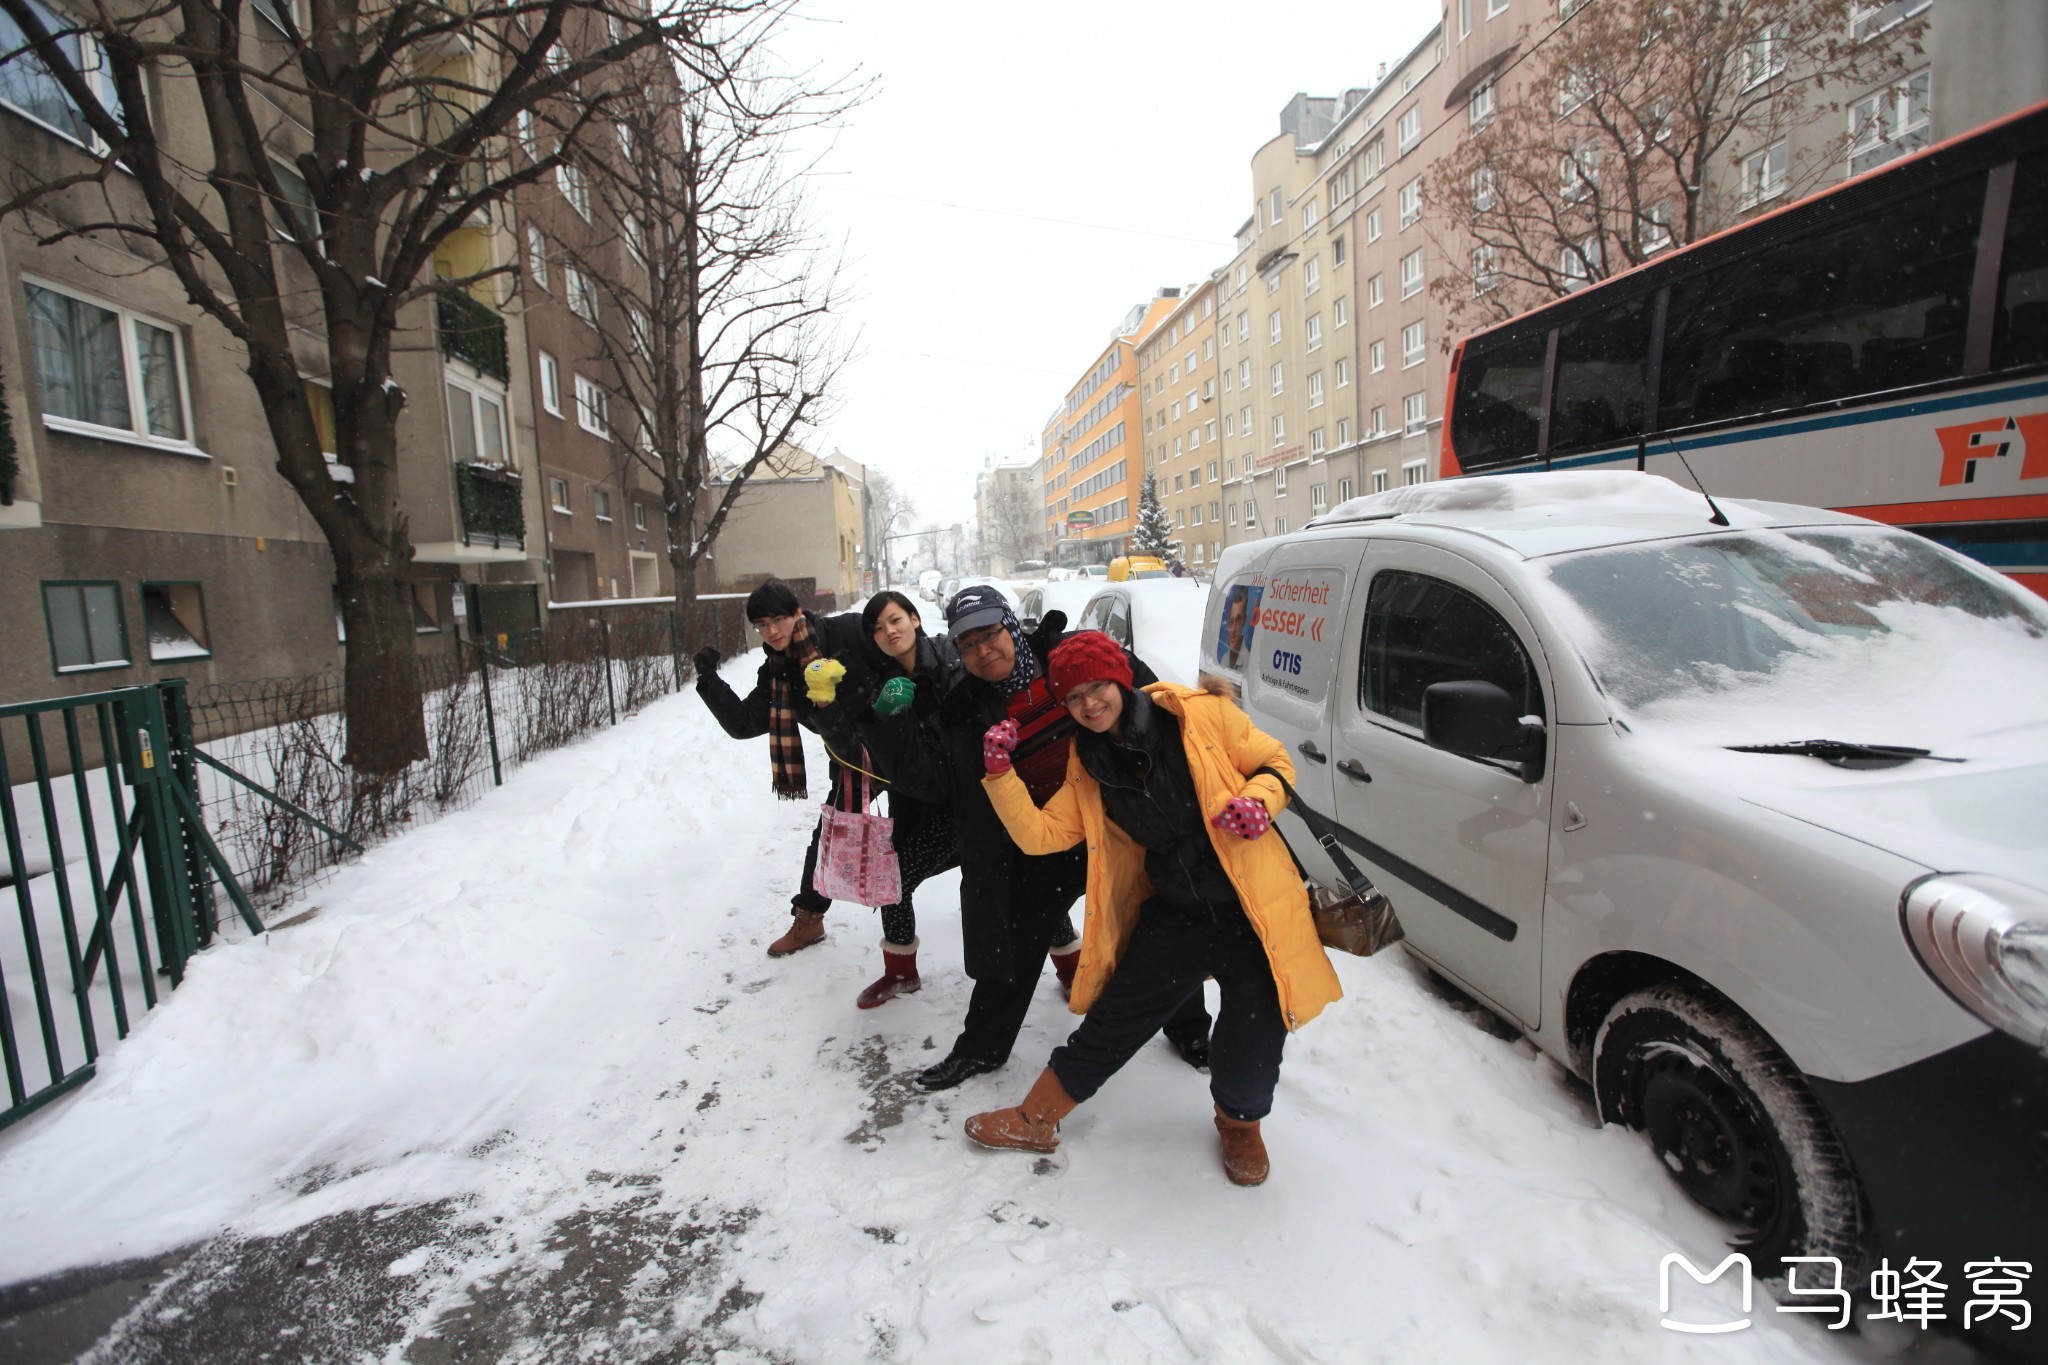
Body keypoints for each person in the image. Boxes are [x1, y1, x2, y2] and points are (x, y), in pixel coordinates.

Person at [962, 631, 1343, 1185]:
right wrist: (1000, 774)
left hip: (1251, 906)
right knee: (1116, 1018)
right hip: (1178, 910)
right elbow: (1041, 836)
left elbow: (1273, 760)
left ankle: (1240, 1126)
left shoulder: (1199, 717)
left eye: (1097, 688)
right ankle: (1035, 1118)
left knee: (1254, 1031)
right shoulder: (1087, 765)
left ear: (1119, 679)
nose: (1089, 704)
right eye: (1074, 697)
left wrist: (1259, 802)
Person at [857, 587, 1212, 1091]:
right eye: (968, 644)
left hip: (1123, 823)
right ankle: (981, 1048)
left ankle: (1190, 1029)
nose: (984, 651)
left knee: (1152, 925)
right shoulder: (962, 706)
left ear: (1011, 625)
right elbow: (935, 781)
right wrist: (884, 725)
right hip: (1045, 839)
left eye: (991, 634)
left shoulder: (1073, 656)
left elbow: (1151, 707)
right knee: (1013, 941)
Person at [692, 579, 868, 956]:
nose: (771, 632)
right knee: (831, 838)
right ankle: (810, 919)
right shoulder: (777, 672)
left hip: (903, 746)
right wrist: (710, 682)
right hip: (854, 762)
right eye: (761, 625)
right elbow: (744, 723)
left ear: (797, 613)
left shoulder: (844, 634)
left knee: (931, 834)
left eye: (777, 620)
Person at [807, 590, 962, 1008]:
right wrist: (825, 703)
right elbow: (854, 749)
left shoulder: (951, 659)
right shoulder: (879, 680)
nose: (888, 631)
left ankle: (1072, 966)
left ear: (914, 618)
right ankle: (900, 974)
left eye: (894, 620)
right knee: (893, 881)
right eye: (876, 628)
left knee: (1018, 880)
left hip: (970, 805)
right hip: (917, 802)